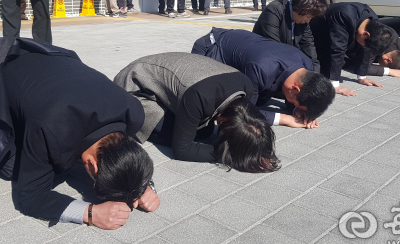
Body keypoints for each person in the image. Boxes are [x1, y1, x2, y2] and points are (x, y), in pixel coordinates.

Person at [0, 38, 159, 229]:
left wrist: (140, 185)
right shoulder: (51, 127)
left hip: (47, 62)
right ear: (93, 165)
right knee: (9, 166)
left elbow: (127, 155)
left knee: (32, 136)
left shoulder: (133, 112)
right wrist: (91, 213)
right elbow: (28, 197)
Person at [114, 53, 279, 172]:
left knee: (202, 130)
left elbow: (249, 124)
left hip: (176, 79)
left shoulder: (245, 87)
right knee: (189, 134)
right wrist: (231, 154)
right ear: (221, 122)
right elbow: (182, 150)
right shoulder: (200, 96)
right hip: (134, 89)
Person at [192, 28, 335, 129]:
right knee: (218, 102)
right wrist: (285, 119)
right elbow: (244, 112)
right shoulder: (261, 69)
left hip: (241, 41)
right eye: (296, 105)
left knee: (260, 99)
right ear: (294, 88)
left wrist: (300, 112)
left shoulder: (306, 65)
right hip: (209, 48)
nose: (293, 106)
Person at [310, 2, 394, 97]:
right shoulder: (343, 16)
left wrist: (362, 77)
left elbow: (365, 50)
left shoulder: (372, 20)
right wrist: (334, 84)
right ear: (365, 34)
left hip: (332, 34)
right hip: (316, 34)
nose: (364, 47)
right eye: (365, 45)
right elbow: (337, 50)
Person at [252, 0, 328, 71]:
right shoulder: (274, 10)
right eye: (308, 17)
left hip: (286, 58)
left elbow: (308, 44)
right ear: (301, 9)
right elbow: (273, 45)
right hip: (264, 59)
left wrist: (315, 69)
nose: (308, 21)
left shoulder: (302, 20)